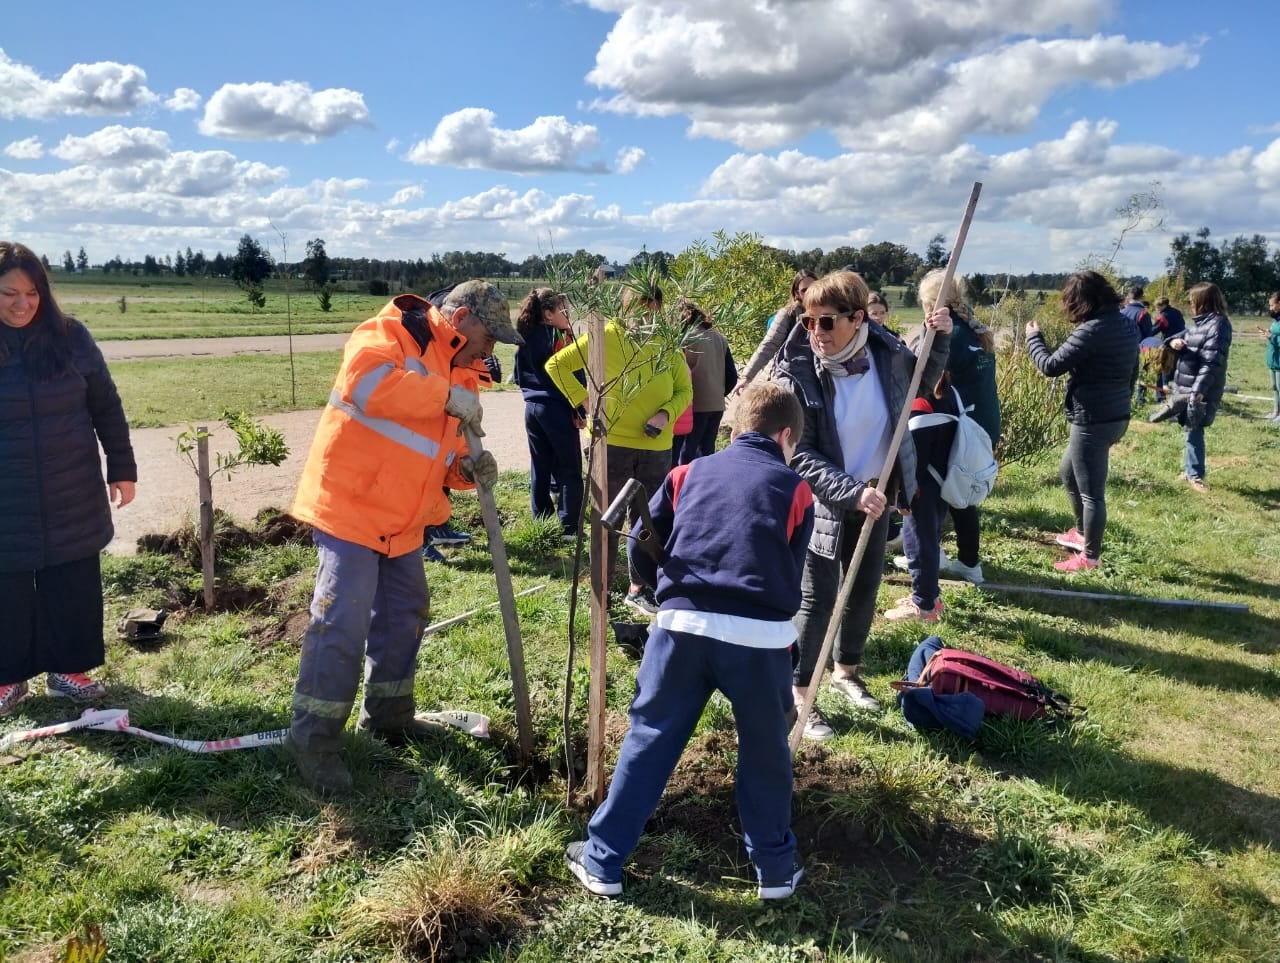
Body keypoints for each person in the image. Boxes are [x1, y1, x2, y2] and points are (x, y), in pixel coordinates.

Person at [565, 382, 813, 901]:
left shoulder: (686, 473)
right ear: (786, 436)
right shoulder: (796, 489)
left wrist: (657, 588)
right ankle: (773, 870)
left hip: (682, 628)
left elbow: (642, 538)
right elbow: (791, 565)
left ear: (736, 427)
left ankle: (603, 860)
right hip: (760, 640)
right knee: (766, 752)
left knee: (650, 739)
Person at [285, 280, 519, 793]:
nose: (492, 349)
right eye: (490, 335)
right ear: (460, 321)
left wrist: (467, 469)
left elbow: (438, 450)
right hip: (351, 507)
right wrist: (444, 395)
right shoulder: (391, 332)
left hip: (404, 519)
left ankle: (388, 718)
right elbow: (364, 385)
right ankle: (314, 743)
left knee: (404, 615)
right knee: (341, 624)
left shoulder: (463, 372)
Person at [774, 270, 951, 740]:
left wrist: (940, 339)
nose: (815, 334)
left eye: (826, 323)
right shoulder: (798, 372)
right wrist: (849, 490)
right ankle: (799, 693)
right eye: (808, 322)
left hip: (877, 496)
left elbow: (919, 384)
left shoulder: (887, 354)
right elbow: (799, 453)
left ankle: (847, 672)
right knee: (817, 599)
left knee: (864, 588)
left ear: (858, 320)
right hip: (827, 503)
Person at [0, 241, 137, 716]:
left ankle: (68, 670)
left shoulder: (71, 338)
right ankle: (7, 677)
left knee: (73, 579)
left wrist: (122, 467)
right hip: (6, 495)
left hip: (71, 489)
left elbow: (105, 405)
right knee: (6, 585)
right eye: (9, 294)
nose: (23, 304)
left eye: (33, 293)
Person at [545, 281, 692, 617]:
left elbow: (684, 390)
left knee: (648, 521)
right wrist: (587, 403)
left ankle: (639, 588)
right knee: (605, 519)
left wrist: (665, 413)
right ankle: (601, 592)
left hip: (657, 447)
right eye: (640, 308)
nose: (647, 317)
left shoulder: (667, 343)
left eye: (653, 310)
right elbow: (557, 366)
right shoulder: (606, 336)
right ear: (626, 307)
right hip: (611, 445)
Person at [1025, 271, 1139, 571]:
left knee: (1092, 494)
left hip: (1092, 420)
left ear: (1082, 302)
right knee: (1069, 472)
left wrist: (1033, 338)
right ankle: (1082, 534)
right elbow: (1133, 370)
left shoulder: (1091, 330)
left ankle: (1090, 557)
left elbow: (1050, 366)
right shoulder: (1125, 324)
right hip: (1115, 415)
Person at [907, 269, 1000, 585]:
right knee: (962, 496)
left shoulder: (950, 335)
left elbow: (930, 381)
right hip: (983, 427)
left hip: (959, 428)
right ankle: (969, 561)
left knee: (934, 494)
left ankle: (934, 556)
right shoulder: (976, 329)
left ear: (929, 303)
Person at [883, 371, 958, 623]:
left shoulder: (920, 403)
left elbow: (914, 457)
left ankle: (923, 605)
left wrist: (904, 496)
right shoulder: (949, 394)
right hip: (943, 481)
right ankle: (930, 597)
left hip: (922, 488)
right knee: (930, 540)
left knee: (918, 544)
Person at [513, 286, 583, 539]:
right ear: (548, 313)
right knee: (570, 467)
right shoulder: (560, 337)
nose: (569, 314)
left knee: (540, 466)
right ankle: (568, 527)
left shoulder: (525, 335)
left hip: (532, 408)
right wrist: (579, 407)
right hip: (557, 407)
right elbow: (575, 375)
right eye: (564, 310)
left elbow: (517, 375)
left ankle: (541, 520)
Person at [1167, 282, 1233, 490]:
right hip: (1189, 385)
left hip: (1200, 388)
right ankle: (1190, 470)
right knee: (1190, 427)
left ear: (1202, 301)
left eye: (1192, 300)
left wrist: (1198, 391)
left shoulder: (1218, 325)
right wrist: (1174, 343)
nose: (1189, 304)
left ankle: (1195, 474)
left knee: (1194, 428)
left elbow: (1212, 362)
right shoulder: (1201, 323)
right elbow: (1186, 340)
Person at [676, 300, 737, 463]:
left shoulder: (684, 338)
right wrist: (717, 392)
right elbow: (732, 376)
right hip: (716, 405)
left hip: (693, 404)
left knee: (686, 455)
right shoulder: (719, 338)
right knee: (707, 453)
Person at [735, 269, 817, 391]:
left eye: (813, 288)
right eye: (805, 290)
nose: (810, 293)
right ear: (797, 293)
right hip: (782, 381)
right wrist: (747, 377)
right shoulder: (788, 315)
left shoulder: (823, 316)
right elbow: (768, 345)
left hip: (810, 384)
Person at [1152, 296, 1186, 402]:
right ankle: (1178, 395)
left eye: (1157, 307)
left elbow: (1154, 330)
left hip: (1168, 344)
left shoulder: (1163, 316)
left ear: (1162, 305)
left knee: (1161, 369)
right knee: (1176, 369)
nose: (1157, 309)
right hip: (1180, 343)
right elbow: (1183, 325)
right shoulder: (1177, 312)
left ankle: (1160, 397)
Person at [1264, 292, 1280, 422]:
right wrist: (1267, 334)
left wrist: (1272, 337)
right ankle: (1276, 411)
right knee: (1274, 387)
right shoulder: (1276, 321)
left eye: (1272, 305)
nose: (1270, 308)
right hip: (1273, 361)